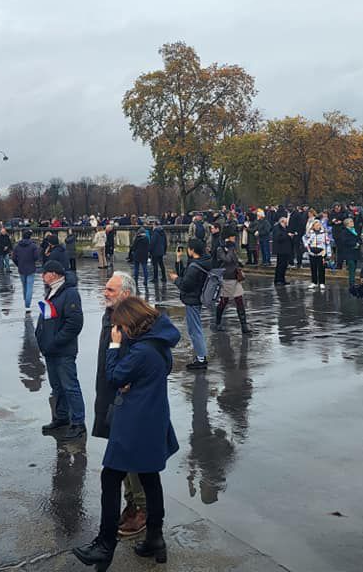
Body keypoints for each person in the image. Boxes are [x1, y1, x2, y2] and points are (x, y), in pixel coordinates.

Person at [72, 296, 179, 570]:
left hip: (135, 422)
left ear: (130, 323)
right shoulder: (158, 342)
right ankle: (155, 536)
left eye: (121, 326)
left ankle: (105, 544)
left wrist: (115, 344)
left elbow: (115, 376)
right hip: (153, 418)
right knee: (149, 477)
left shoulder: (142, 352)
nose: (120, 330)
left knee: (110, 477)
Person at [91, 272, 147, 537]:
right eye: (106, 288)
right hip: (109, 391)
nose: (105, 293)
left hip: (126, 396)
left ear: (126, 294)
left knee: (130, 456)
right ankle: (131, 503)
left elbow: (144, 360)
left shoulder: (134, 320)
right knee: (118, 453)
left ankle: (142, 509)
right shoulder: (111, 315)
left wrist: (129, 380)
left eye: (111, 290)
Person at [36, 260, 85, 440]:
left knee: (70, 386)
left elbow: (74, 323)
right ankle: (61, 417)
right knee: (56, 386)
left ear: (55, 274)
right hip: (51, 349)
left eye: (45, 273)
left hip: (63, 350)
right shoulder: (52, 291)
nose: (42, 276)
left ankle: (78, 422)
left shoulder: (70, 293)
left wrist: (56, 341)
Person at [170, 238, 210, 369]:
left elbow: (185, 284)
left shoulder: (195, 267)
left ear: (192, 250)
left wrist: (175, 280)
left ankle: (201, 358)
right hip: (197, 298)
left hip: (192, 300)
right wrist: (178, 259)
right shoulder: (202, 261)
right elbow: (185, 274)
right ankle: (200, 356)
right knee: (195, 328)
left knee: (195, 330)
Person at [214, 225, 250, 333]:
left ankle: (244, 325)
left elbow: (234, 259)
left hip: (235, 277)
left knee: (239, 301)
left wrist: (239, 262)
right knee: (223, 302)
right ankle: (218, 322)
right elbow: (227, 260)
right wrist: (230, 249)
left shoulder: (232, 247)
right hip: (226, 278)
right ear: (228, 237)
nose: (234, 238)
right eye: (232, 236)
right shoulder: (220, 249)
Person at [11, 229, 41, 312]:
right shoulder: (33, 246)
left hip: (21, 268)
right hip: (31, 268)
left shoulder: (17, 246)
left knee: (24, 286)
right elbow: (36, 257)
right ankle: (27, 305)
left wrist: (18, 264)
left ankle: (26, 301)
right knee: (29, 287)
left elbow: (13, 258)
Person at [303, 218, 331, 289]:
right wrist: (307, 246)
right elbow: (304, 239)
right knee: (313, 268)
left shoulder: (324, 233)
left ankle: (322, 282)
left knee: (321, 268)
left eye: (318, 225)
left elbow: (328, 243)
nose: (317, 226)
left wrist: (328, 253)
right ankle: (314, 282)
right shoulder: (310, 233)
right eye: (315, 225)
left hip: (321, 252)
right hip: (312, 252)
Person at [338, 217, 362, 286]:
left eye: (352, 221)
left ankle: (353, 281)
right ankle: (352, 282)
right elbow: (344, 241)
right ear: (347, 224)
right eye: (350, 222)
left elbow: (359, 239)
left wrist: (359, 243)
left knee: (354, 267)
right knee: (351, 266)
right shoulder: (344, 232)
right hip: (349, 251)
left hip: (356, 251)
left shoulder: (355, 230)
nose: (352, 223)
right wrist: (354, 243)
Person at [272, 216, 293, 286]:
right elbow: (278, 238)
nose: (286, 224)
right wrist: (287, 235)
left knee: (284, 266)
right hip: (280, 250)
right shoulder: (277, 228)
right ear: (282, 222)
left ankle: (282, 279)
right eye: (285, 222)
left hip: (285, 249)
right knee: (280, 265)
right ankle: (278, 280)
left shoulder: (285, 228)